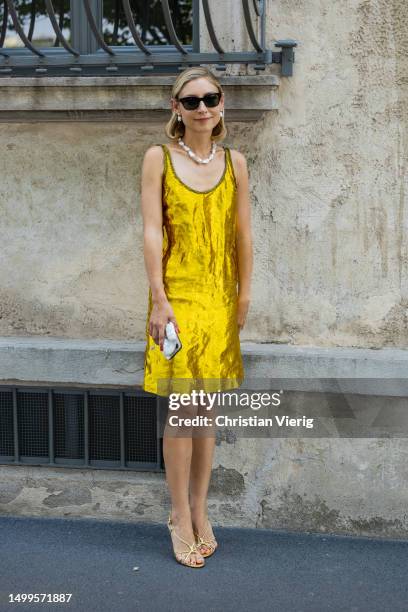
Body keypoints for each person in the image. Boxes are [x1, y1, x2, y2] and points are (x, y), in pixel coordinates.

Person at [140, 66, 253, 568]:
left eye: (211, 98)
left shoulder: (235, 162)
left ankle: (202, 510)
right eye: (191, 101)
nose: (203, 107)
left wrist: (244, 296)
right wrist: (159, 299)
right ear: (176, 109)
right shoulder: (157, 158)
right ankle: (179, 516)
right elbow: (151, 233)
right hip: (177, 299)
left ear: (222, 104)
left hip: (219, 301)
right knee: (182, 411)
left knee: (206, 412)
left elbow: (242, 236)